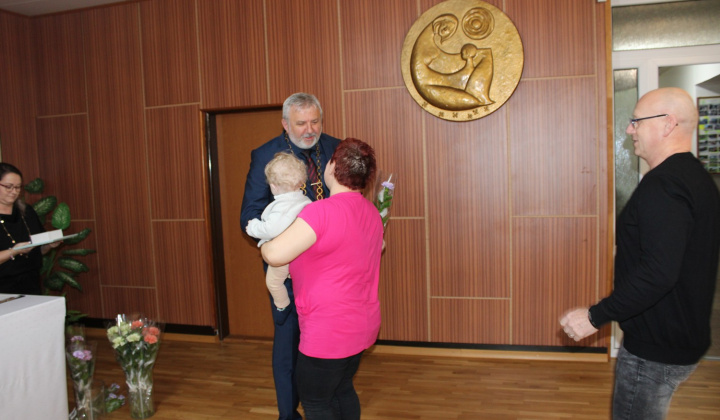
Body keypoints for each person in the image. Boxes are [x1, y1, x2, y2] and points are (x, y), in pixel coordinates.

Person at [560, 87, 720, 420]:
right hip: (679, 337)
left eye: (637, 121)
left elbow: (658, 273)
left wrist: (594, 316)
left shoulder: (664, 185)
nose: (629, 129)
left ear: (668, 123)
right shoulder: (695, 177)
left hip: (655, 350)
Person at [261, 138, 384, 420]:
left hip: (328, 332)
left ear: (333, 166)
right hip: (361, 326)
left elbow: (275, 255)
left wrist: (267, 240)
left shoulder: (320, 212)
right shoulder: (371, 212)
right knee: (341, 389)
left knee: (316, 402)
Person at [240, 92, 341, 420]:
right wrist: (285, 238)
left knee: (329, 343)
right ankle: (288, 414)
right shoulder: (265, 154)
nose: (310, 130)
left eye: (315, 121)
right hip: (289, 267)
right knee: (288, 343)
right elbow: (249, 214)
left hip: (329, 267)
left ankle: (326, 407)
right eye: (301, 123)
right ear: (285, 124)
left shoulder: (336, 148)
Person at [246, 152, 311, 310]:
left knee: (273, 283)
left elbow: (270, 230)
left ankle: (282, 306)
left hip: (285, 253)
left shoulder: (282, 206)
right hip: (303, 251)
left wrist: (253, 227)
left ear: (273, 186)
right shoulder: (305, 200)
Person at [0, 163, 58, 295]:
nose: (14, 192)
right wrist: (13, 251)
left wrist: (49, 245)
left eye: (18, 187)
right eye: (8, 187)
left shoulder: (27, 212)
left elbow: (37, 251)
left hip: (31, 283)